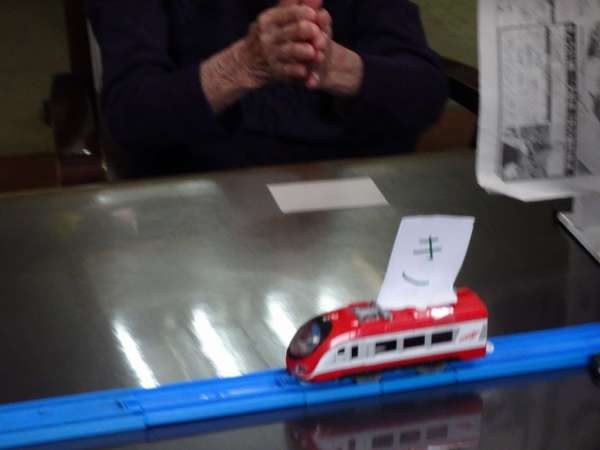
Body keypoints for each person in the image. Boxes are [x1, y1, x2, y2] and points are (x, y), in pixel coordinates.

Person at [86, 0, 448, 177]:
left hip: (350, 197)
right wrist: (242, 65)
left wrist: (333, 65)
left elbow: (425, 95)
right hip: (198, 197)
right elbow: (130, 116)